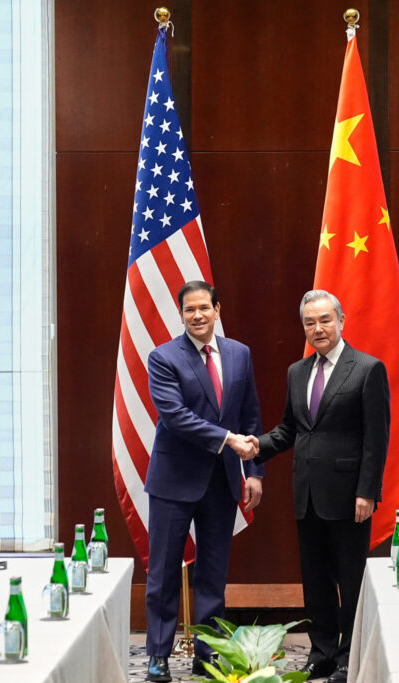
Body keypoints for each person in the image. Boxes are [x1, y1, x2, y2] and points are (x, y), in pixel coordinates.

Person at [249, 289, 390, 683]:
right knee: (315, 582)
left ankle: (348, 656)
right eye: (309, 322)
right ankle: (322, 652)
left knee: (351, 580)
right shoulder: (297, 372)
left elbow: (376, 439)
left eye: (325, 320)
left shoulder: (367, 368)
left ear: (341, 321)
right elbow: (290, 429)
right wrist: (257, 445)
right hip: (307, 495)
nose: (318, 328)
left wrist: (367, 491)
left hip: (349, 496)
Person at [144, 280, 265, 682]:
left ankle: (208, 654)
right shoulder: (163, 357)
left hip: (222, 482)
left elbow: (250, 414)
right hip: (174, 482)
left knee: (213, 575)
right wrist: (228, 439)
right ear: (181, 314)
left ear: (217, 310)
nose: (197, 315)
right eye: (189, 310)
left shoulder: (239, 354)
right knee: (163, 573)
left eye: (203, 308)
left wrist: (254, 472)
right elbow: (176, 416)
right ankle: (158, 655)